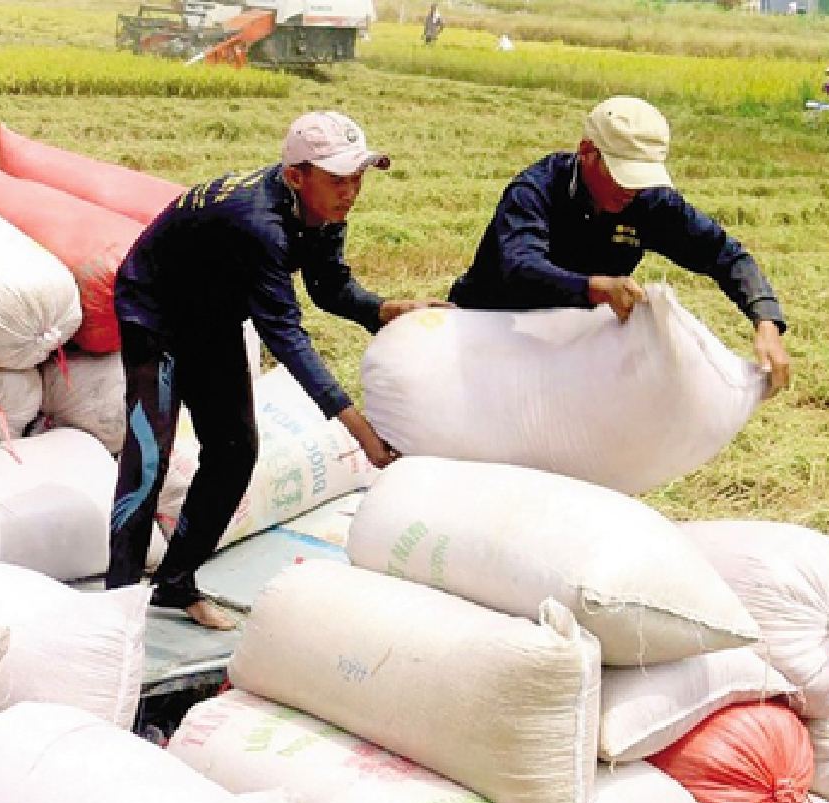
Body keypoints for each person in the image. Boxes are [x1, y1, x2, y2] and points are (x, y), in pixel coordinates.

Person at [108, 111, 441, 630]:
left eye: (357, 177)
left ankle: (175, 581)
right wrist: (361, 433)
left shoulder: (323, 210)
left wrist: (382, 310)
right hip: (156, 310)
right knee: (151, 453)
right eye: (339, 179)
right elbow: (285, 336)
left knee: (236, 450)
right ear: (296, 176)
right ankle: (118, 603)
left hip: (214, 314)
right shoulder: (258, 224)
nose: (351, 191)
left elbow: (329, 287)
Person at [447, 96, 792, 396]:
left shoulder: (649, 202)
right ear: (587, 152)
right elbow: (521, 266)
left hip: (570, 347)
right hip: (495, 329)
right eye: (621, 174)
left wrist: (766, 322)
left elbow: (724, 254)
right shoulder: (535, 191)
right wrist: (595, 288)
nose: (631, 190)